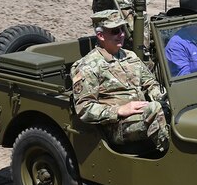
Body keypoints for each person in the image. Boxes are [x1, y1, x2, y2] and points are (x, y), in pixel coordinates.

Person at [72, 10, 169, 153]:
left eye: (123, 29)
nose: (122, 34)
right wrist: (119, 110)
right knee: (155, 110)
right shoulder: (88, 66)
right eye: (115, 31)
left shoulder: (130, 56)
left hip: (142, 114)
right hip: (115, 126)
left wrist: (163, 99)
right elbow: (84, 109)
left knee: (169, 107)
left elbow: (150, 83)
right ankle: (169, 153)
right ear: (100, 35)